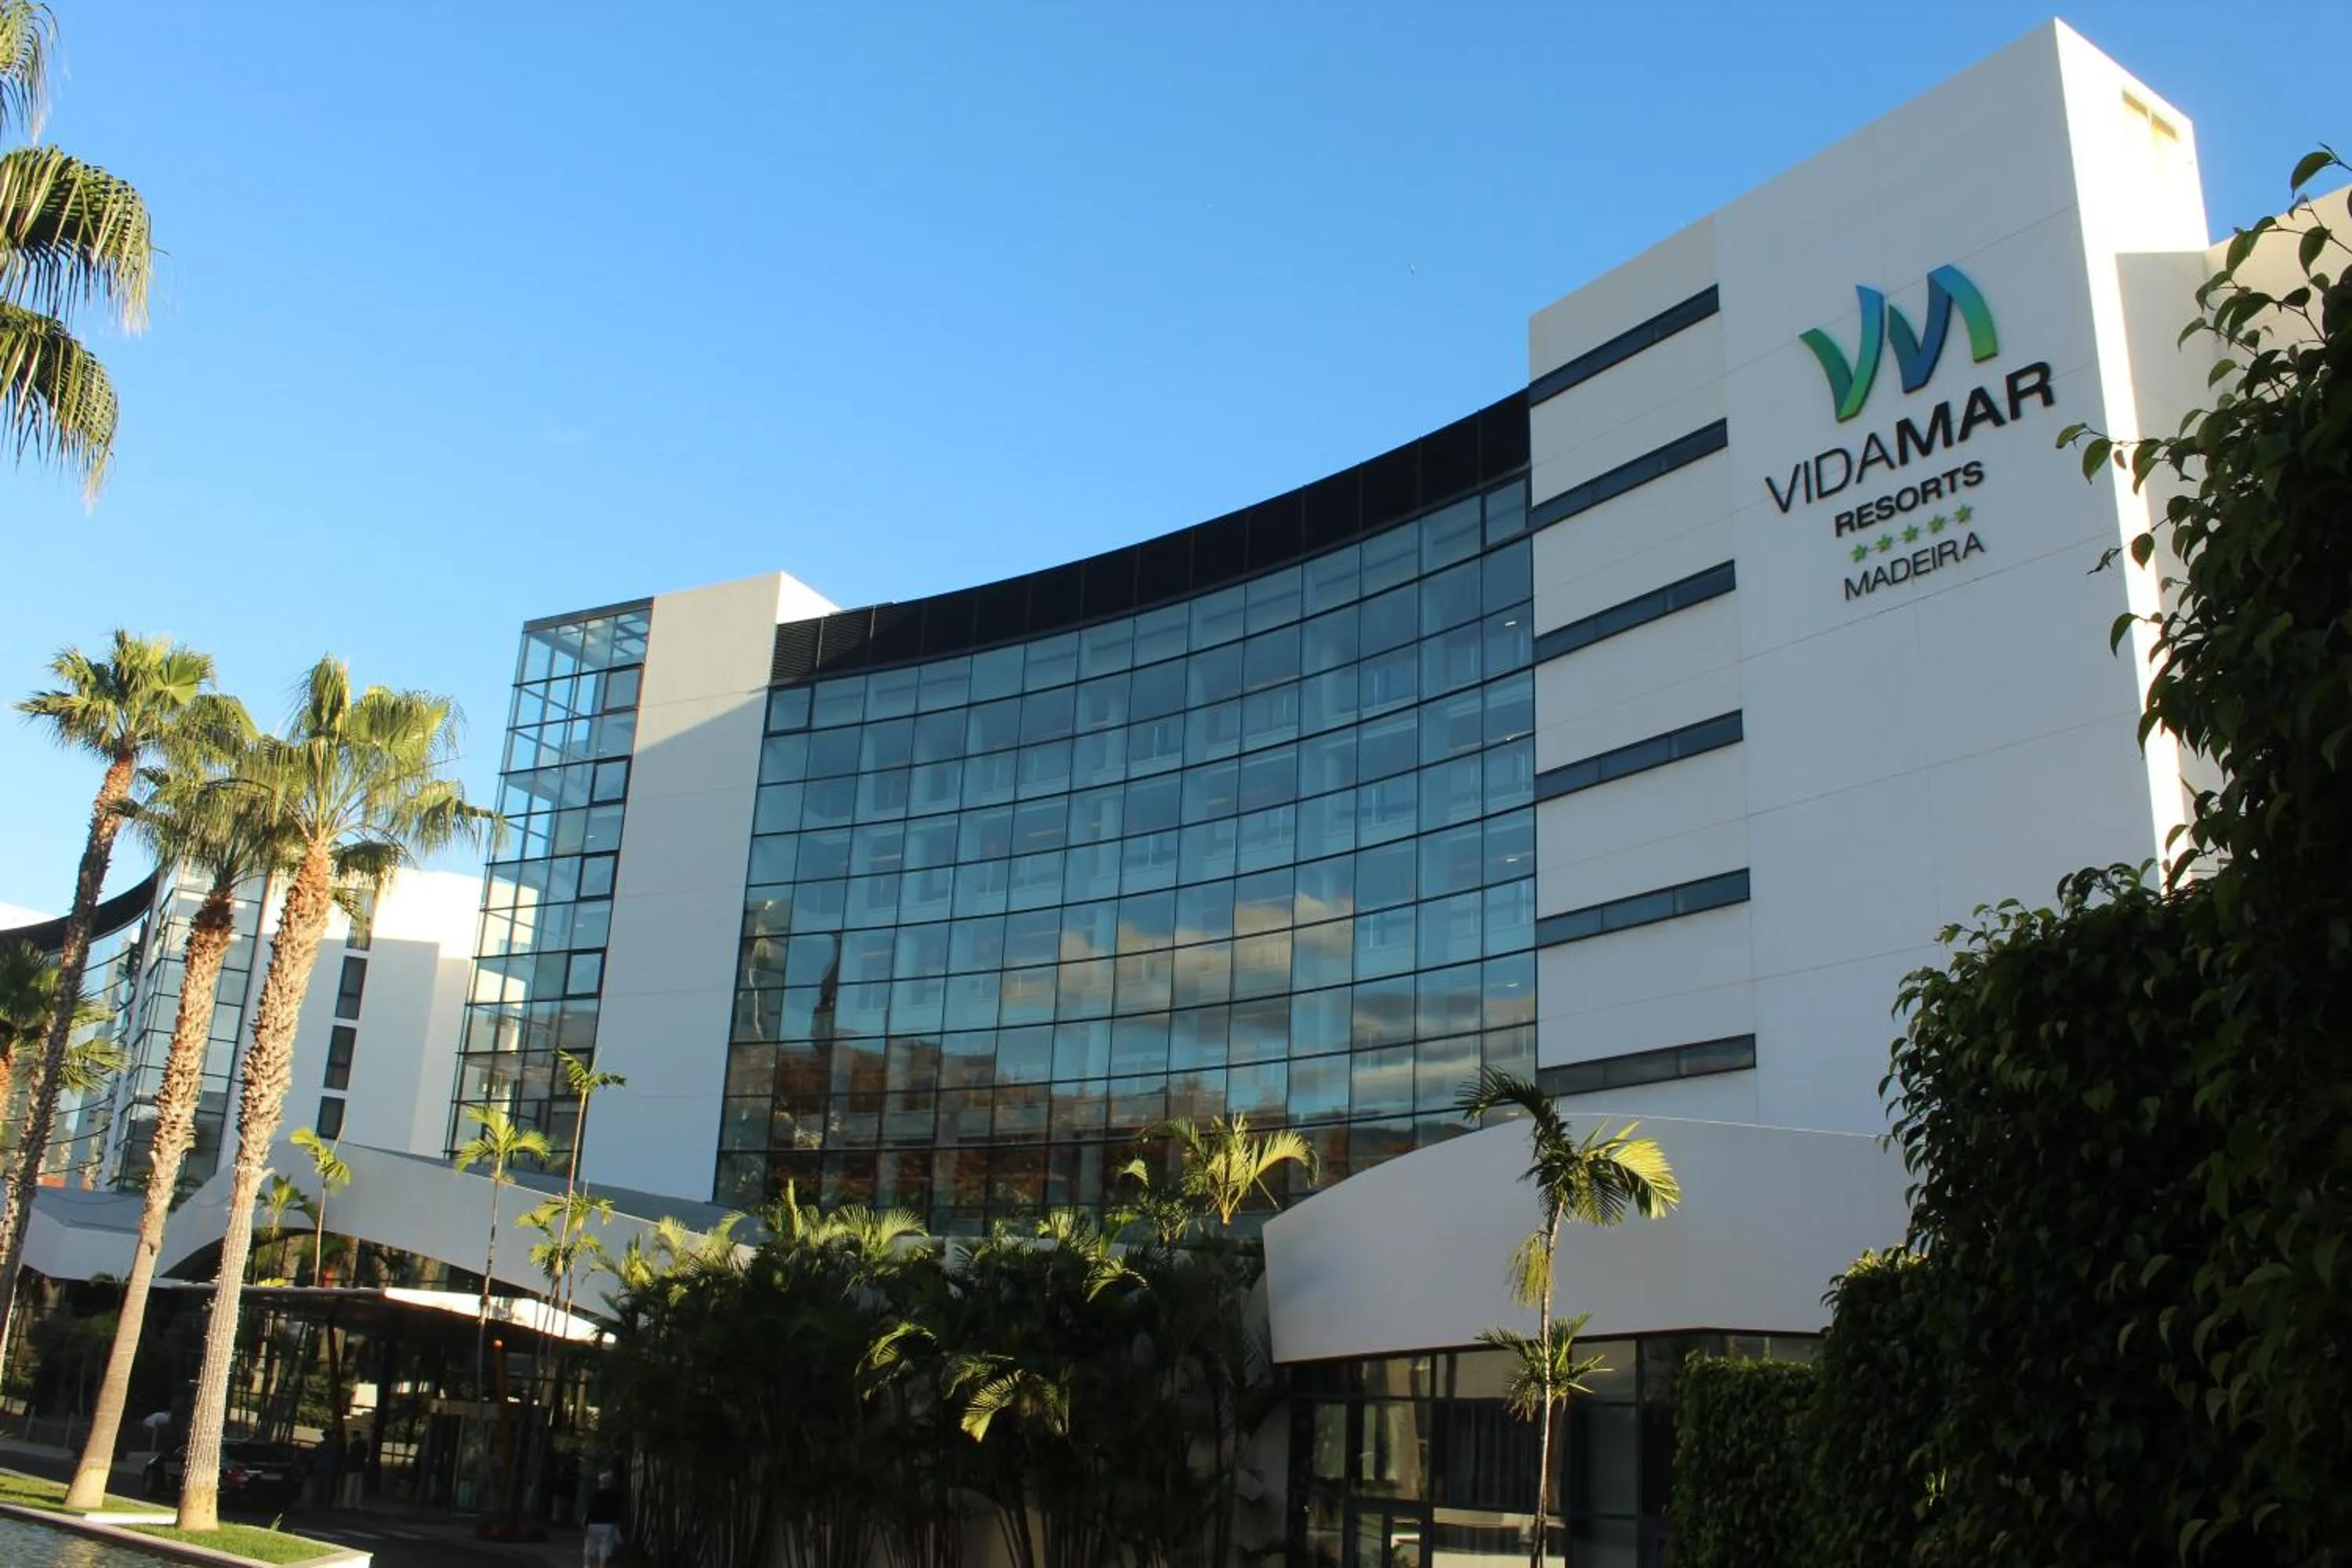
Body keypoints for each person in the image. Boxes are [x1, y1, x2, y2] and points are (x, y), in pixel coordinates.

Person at [583, 1470, 624, 1568]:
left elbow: (590, 1510)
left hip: (593, 1524)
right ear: (610, 1482)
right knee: (604, 1550)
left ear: (599, 1482)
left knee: (589, 1548)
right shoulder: (615, 1495)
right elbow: (617, 1512)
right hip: (608, 1525)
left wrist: (586, 1524)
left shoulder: (595, 1493)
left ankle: (587, 1566)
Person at [308, 1431, 343, 1510]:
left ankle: (317, 1502)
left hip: (319, 1468)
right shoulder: (336, 1446)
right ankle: (328, 1503)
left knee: (319, 1486)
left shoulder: (320, 1445)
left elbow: (313, 1456)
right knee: (330, 1486)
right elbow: (339, 1457)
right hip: (331, 1468)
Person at [339, 1432, 370, 1509]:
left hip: (352, 1467)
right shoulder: (364, 1445)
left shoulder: (353, 1445)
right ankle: (357, 1504)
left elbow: (350, 1455)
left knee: (349, 1486)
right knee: (358, 1487)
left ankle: (346, 1503)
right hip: (360, 1468)